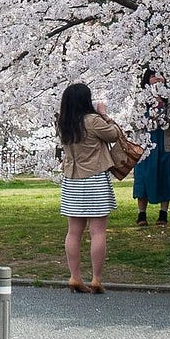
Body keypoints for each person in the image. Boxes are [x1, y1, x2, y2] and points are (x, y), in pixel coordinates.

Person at [55, 83, 124, 294]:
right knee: (97, 231)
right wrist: (104, 114)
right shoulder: (93, 121)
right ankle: (95, 278)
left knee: (73, 232)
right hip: (94, 179)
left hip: (72, 180)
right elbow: (114, 134)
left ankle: (74, 276)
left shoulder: (63, 123)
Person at [129, 67, 170, 226]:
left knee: (166, 174)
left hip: (166, 141)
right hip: (146, 143)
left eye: (160, 75)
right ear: (147, 80)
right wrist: (145, 121)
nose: (157, 79)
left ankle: (163, 213)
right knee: (143, 176)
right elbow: (133, 121)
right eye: (153, 76)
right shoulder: (141, 99)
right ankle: (141, 214)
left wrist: (168, 121)